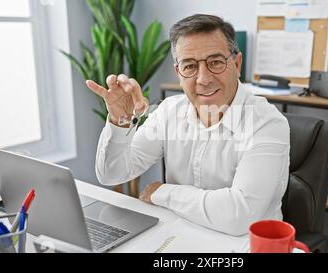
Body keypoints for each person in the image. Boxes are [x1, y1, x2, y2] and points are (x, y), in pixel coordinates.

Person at [86, 14, 290, 236]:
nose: (203, 78)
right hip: (178, 234)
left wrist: (162, 192)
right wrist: (120, 121)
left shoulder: (268, 123)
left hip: (244, 245)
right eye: (190, 66)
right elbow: (112, 174)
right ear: (178, 73)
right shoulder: (169, 111)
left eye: (215, 62)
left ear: (236, 64)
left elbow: (239, 215)